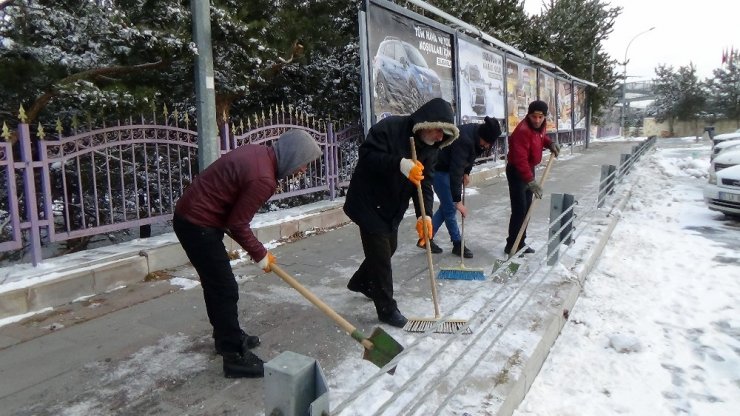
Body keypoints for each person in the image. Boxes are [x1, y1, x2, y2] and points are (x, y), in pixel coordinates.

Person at [173, 130, 322, 378]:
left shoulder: (260, 154)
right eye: (304, 162)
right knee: (224, 287)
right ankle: (234, 356)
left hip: (197, 217)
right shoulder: (263, 178)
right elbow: (238, 224)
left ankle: (225, 337)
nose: (303, 170)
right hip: (197, 223)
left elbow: (231, 212)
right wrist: (260, 254)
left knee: (216, 284)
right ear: (293, 156)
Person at [343, 98, 459, 327]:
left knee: (390, 247)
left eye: (444, 135)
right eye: (438, 131)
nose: (439, 138)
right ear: (427, 122)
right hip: (368, 201)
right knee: (382, 257)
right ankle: (386, 309)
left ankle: (361, 282)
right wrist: (400, 164)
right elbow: (367, 157)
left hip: (392, 206)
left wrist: (424, 215)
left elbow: (424, 183)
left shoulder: (431, 148)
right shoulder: (389, 128)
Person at [425, 116, 502, 258]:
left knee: (446, 207)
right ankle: (457, 244)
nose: (486, 146)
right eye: (486, 143)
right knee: (450, 208)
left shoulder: (478, 137)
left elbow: (471, 156)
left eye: (489, 144)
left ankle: (426, 237)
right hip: (439, 169)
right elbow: (455, 172)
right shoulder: (464, 140)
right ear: (482, 136)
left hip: (448, 168)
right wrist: (458, 201)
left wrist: (467, 172)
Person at [504, 100, 559, 255]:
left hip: (528, 170)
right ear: (529, 115)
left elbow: (541, 137)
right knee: (519, 210)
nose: (537, 120)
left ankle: (520, 242)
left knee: (528, 208)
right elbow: (520, 160)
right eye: (534, 116)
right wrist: (530, 181)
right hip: (517, 172)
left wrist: (550, 144)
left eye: (540, 117)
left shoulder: (540, 127)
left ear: (544, 117)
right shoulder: (522, 131)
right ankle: (511, 245)